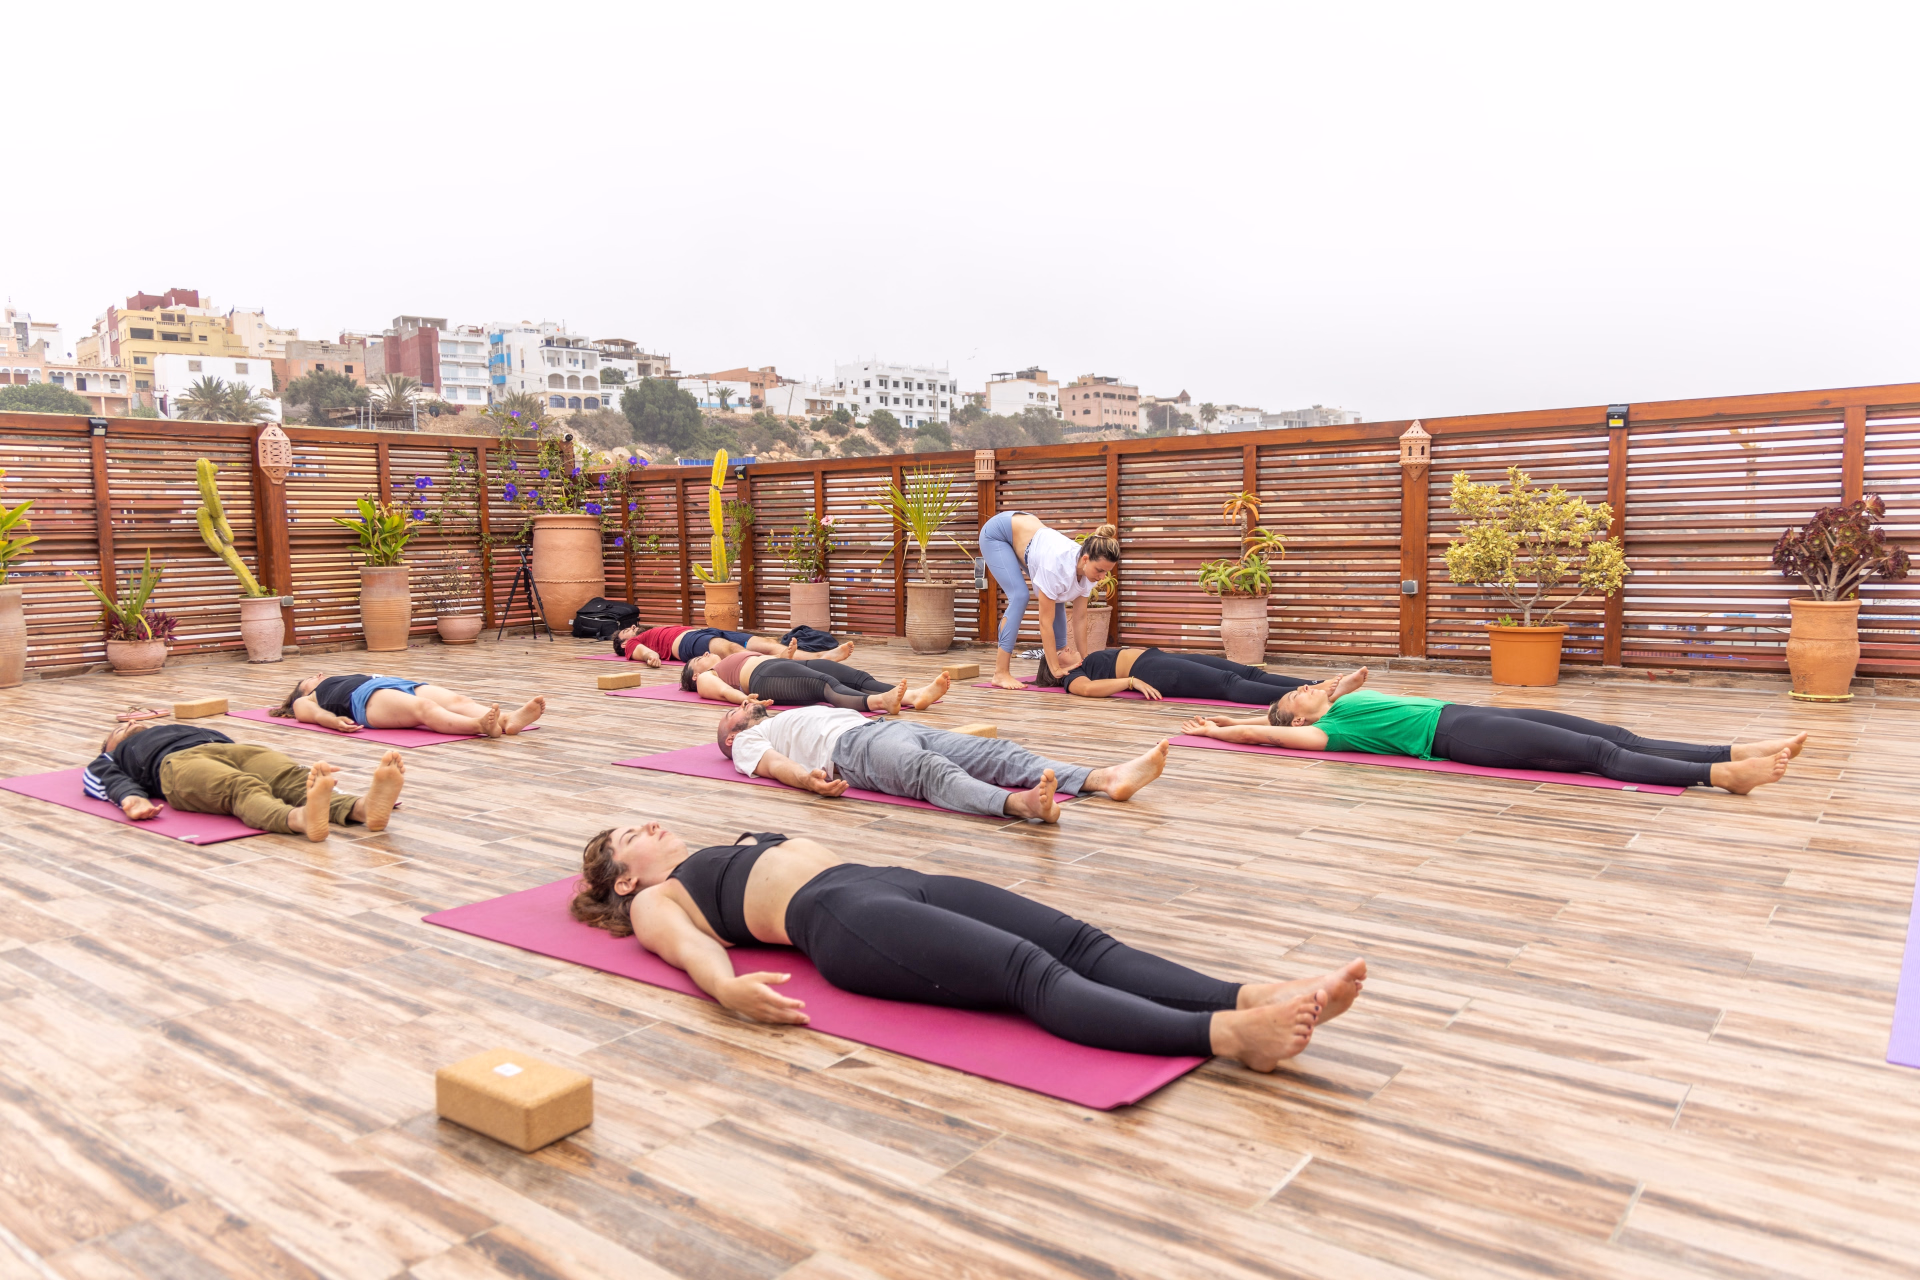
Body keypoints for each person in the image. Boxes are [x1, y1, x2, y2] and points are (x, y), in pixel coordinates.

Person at [572, 822, 1370, 1069]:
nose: (642, 827)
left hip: (887, 878)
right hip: (843, 922)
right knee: (1031, 974)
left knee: (1079, 939)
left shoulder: (711, 845)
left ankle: (1245, 993)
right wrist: (725, 991)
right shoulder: (659, 902)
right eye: (624, 841)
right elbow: (689, 952)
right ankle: (1227, 1037)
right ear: (624, 883)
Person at [1180, 676, 1806, 793]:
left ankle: (1729, 750)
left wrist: (1332, 686)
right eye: (1298, 694)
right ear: (1301, 718)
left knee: (1614, 730)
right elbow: (1271, 740)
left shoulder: (1340, 699)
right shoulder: (1327, 732)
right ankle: (1719, 776)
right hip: (1460, 738)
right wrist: (1228, 728)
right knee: (1597, 755)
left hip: (1464, 710)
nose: (1307, 686)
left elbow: (1348, 677)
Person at [717, 699, 1167, 821]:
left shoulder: (778, 716)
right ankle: (1020, 805)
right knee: (931, 774)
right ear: (731, 734)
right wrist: (809, 780)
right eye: (730, 712)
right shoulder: (747, 741)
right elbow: (777, 766)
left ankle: (1104, 778)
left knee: (997, 752)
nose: (740, 706)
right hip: (853, 751)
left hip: (881, 727)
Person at [84, 720, 406, 841]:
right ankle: (299, 818)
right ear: (110, 746)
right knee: (241, 787)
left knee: (291, 778)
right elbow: (104, 778)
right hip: (175, 765)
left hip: (232, 748)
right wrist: (131, 798)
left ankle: (363, 808)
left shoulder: (179, 726)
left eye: (136, 716)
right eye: (119, 729)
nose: (131, 722)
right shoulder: (113, 757)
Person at [978, 514, 1121, 690]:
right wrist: (1053, 668)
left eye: (1106, 572)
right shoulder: (1056, 567)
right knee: (1020, 595)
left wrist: (1086, 659)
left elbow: (1080, 617)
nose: (1102, 577)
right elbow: (1045, 623)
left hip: (1030, 536)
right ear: (1085, 559)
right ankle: (1000, 673)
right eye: (1100, 571)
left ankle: (1058, 655)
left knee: (1057, 596)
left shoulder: (1089, 570)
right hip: (998, 532)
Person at [1035, 646, 1368, 704]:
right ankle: (1320, 693)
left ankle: (1315, 686)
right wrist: (1130, 682)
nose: (1063, 647)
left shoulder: (1081, 660)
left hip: (1159, 659)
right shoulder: (1071, 677)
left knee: (1247, 670)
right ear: (1055, 666)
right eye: (1059, 651)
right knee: (1229, 685)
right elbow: (1089, 691)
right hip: (1150, 670)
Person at [271, 673, 544, 737]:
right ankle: (477, 726)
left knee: (459, 701)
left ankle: (506, 720)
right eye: (310, 678)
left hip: (393, 683)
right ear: (302, 689)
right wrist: (331, 721)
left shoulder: (340, 676)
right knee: (423, 708)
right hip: (362, 700)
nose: (317, 675)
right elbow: (307, 712)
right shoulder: (307, 698)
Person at [680, 649, 949, 712]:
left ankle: (914, 696)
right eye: (698, 659)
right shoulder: (705, 677)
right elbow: (724, 692)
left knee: (852, 676)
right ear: (694, 673)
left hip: (780, 665)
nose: (704, 654)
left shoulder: (726, 658)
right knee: (824, 685)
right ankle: (880, 701)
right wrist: (745, 699)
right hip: (763, 678)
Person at [612, 622, 854, 667]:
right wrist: (649, 656)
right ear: (624, 644)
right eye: (626, 631)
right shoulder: (634, 643)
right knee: (733, 651)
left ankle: (821, 657)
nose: (632, 628)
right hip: (686, 642)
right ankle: (776, 664)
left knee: (767, 643)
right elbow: (642, 652)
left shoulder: (643, 631)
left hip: (704, 631)